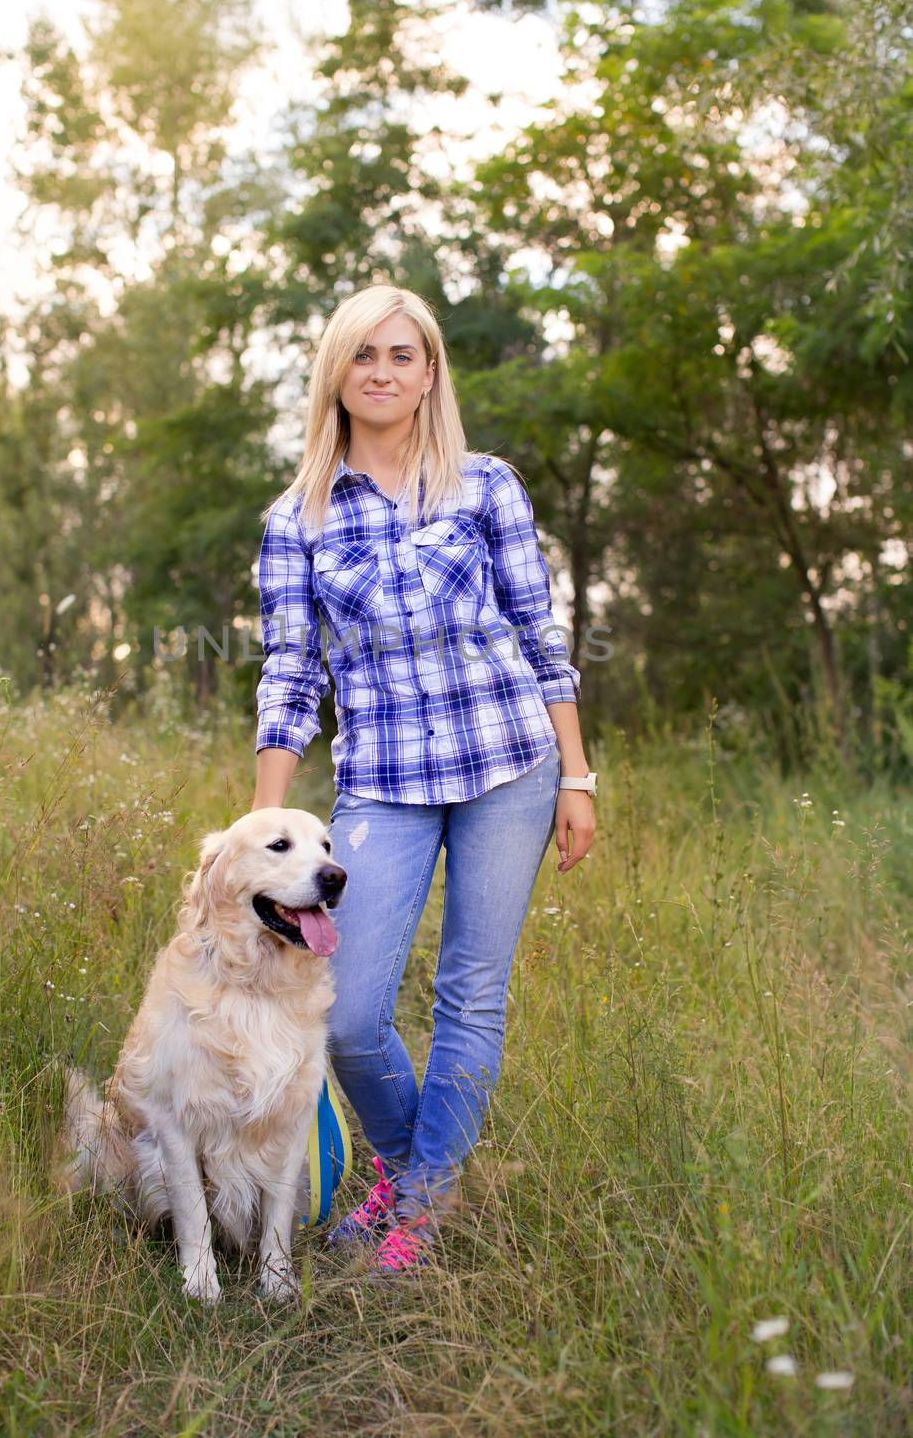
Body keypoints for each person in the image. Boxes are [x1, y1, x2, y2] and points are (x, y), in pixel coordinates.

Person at [252, 283, 597, 1278]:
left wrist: (577, 775)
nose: (383, 372)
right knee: (349, 1010)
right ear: (336, 373)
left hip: (508, 765)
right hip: (384, 780)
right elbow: (290, 669)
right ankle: (414, 1171)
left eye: (402, 354)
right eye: (363, 355)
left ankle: (421, 1210)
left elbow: (541, 636)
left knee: (469, 992)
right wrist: (269, 815)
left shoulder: (484, 485)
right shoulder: (298, 518)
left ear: (429, 370)